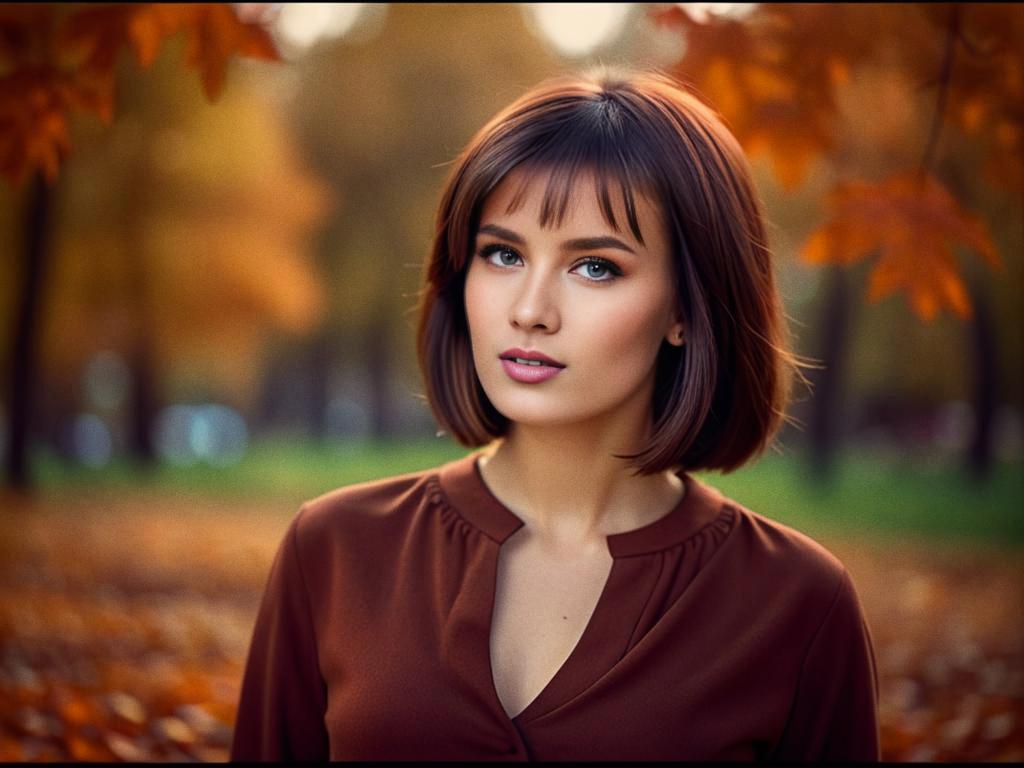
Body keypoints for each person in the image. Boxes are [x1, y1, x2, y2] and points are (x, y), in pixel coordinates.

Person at [230, 67, 880, 761]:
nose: (530, 310)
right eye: (502, 254)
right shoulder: (334, 550)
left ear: (687, 309)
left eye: (594, 267)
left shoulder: (799, 606)